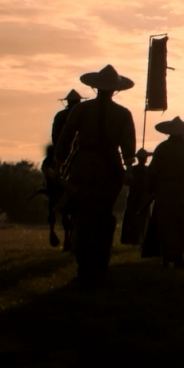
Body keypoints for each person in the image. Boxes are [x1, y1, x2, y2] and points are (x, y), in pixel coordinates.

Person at [54, 65, 137, 281]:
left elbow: (65, 138)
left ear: (95, 88)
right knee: (103, 214)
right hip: (111, 168)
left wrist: (58, 164)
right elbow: (128, 147)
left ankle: (84, 262)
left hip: (83, 166)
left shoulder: (80, 110)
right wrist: (128, 171)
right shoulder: (123, 113)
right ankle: (101, 261)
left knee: (82, 213)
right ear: (115, 90)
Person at [147, 117, 184, 270]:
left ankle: (167, 256)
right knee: (182, 223)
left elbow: (152, 171)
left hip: (165, 190)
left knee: (165, 224)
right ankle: (178, 254)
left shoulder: (162, 148)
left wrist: (150, 190)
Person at [43, 89, 84, 250]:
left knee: (47, 165)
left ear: (67, 102)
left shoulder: (60, 116)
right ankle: (70, 238)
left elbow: (55, 137)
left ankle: (48, 185)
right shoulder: (83, 114)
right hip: (78, 151)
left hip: (60, 151)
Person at [119, 148, 153, 245]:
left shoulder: (132, 170)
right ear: (146, 158)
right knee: (142, 219)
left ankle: (128, 239)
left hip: (133, 196)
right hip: (143, 198)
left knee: (131, 218)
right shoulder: (148, 170)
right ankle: (140, 239)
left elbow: (126, 182)